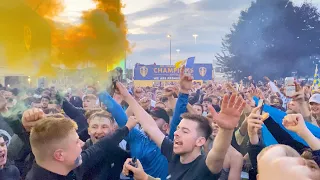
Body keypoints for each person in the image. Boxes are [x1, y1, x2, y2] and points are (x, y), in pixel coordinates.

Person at [115, 65, 246, 180]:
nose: (176, 133)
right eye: (178, 128)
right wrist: (127, 96)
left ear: (200, 141)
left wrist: (226, 130)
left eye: (185, 131)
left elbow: (218, 152)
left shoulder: (204, 167)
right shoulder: (174, 154)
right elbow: (150, 126)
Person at [23, 108, 135, 180]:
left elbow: (101, 147)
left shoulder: (70, 166)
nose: (81, 145)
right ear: (60, 155)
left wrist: (127, 127)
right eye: (76, 142)